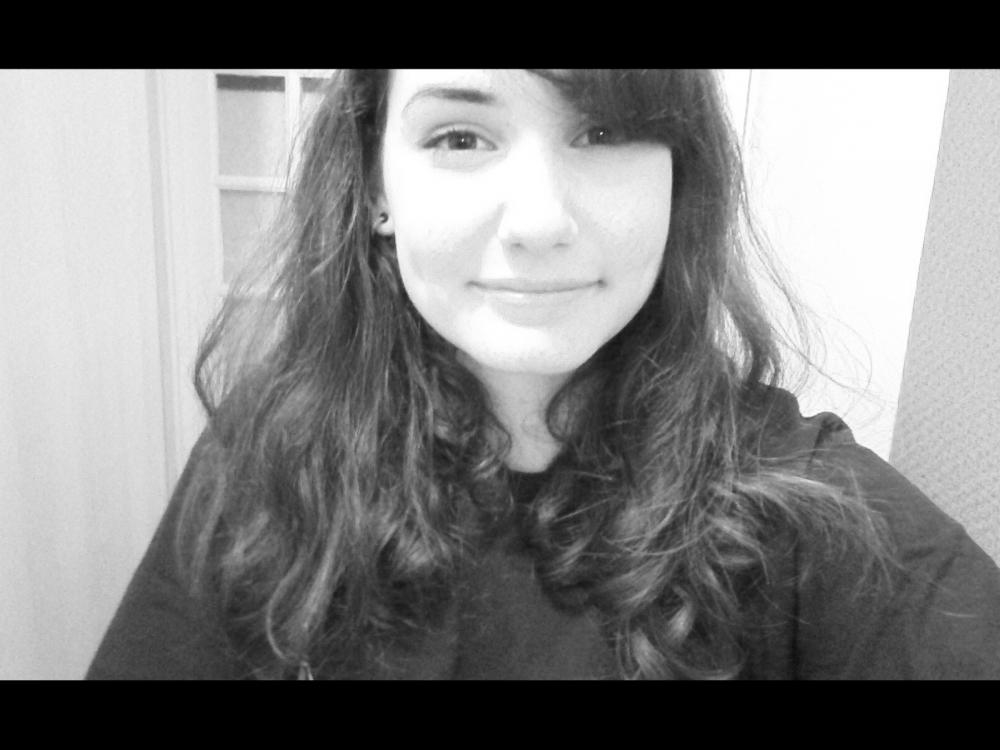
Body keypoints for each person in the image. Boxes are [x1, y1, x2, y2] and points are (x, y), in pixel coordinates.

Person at [87, 69, 1000, 680]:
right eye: (459, 137)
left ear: (678, 179)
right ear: (376, 188)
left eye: (604, 130)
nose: (537, 221)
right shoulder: (270, 458)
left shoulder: (801, 508)